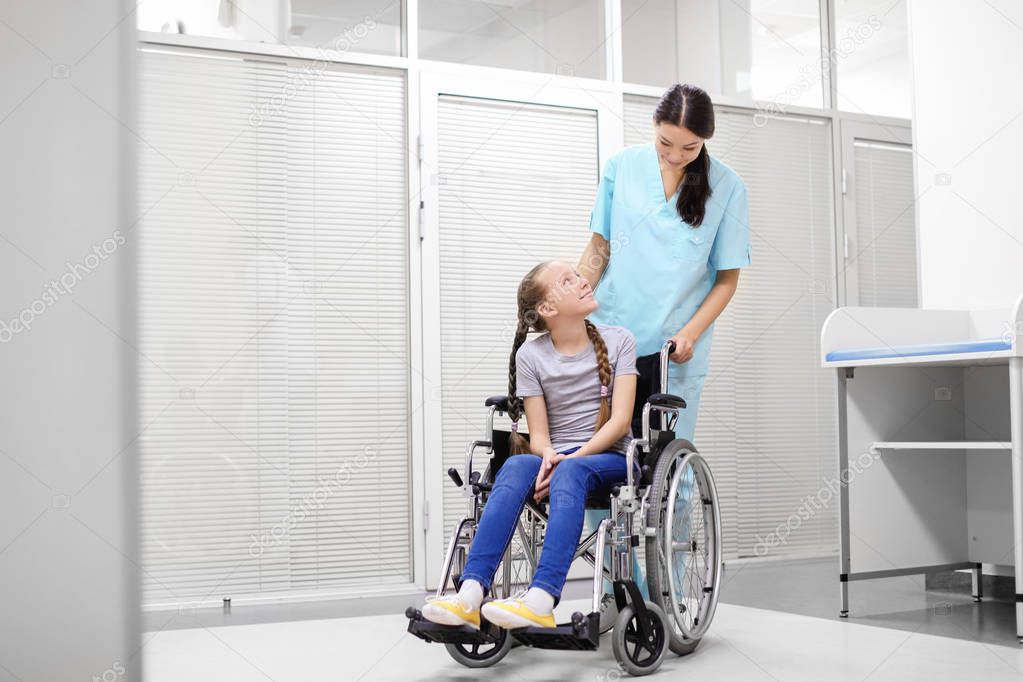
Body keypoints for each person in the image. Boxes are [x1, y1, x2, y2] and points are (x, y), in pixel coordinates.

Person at [577, 83, 752, 600]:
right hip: (612, 343)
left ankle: (669, 593)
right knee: (606, 463)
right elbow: (598, 248)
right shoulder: (622, 168)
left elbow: (727, 279)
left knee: (664, 475)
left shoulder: (728, 188)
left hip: (676, 354)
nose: (676, 156)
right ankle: (611, 589)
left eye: (689, 147)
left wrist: (692, 332)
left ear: (705, 141)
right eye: (665, 144)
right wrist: (575, 302)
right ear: (652, 132)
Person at [421, 260, 638, 630]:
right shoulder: (530, 356)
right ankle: (470, 593)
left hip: (610, 458)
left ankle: (541, 599)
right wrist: (550, 456)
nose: (583, 280)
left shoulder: (620, 341)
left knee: (570, 468)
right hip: (560, 460)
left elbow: (619, 423)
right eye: (568, 280)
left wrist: (569, 461)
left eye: (576, 275)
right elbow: (538, 436)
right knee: (515, 465)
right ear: (548, 310)